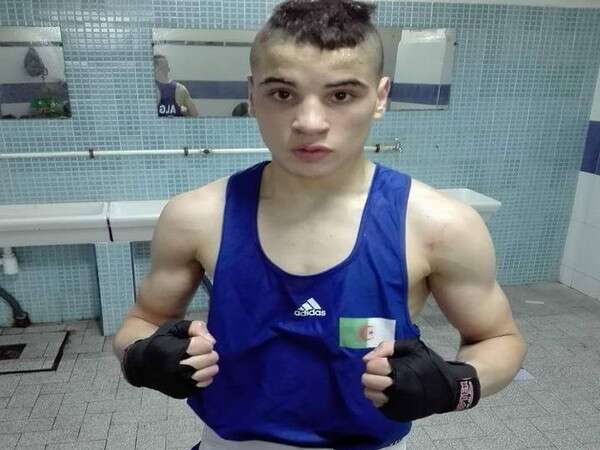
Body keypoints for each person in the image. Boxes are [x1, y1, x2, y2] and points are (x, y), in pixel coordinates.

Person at [114, 1, 527, 449]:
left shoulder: (440, 225)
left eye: (341, 95)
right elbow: (142, 321)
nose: (309, 123)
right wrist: (142, 357)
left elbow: (500, 339)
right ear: (252, 95)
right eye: (283, 94)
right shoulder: (195, 216)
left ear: (380, 97)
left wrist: (455, 385)